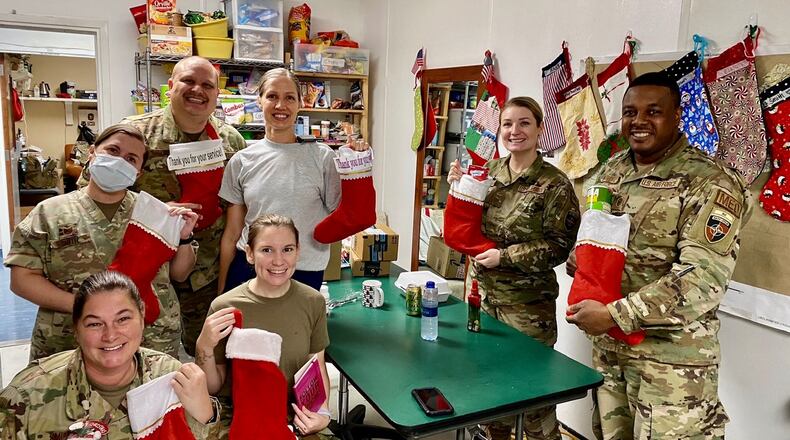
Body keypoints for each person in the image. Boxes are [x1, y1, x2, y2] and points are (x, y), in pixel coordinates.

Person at [566, 71, 752, 439]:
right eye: (631, 112)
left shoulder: (709, 181)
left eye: (654, 111)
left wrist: (615, 314)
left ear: (677, 116)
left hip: (670, 368)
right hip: (612, 355)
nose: (639, 121)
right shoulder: (613, 171)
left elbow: (703, 281)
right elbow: (593, 237)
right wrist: (581, 260)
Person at [447, 96, 580, 440]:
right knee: (489, 392)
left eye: (524, 123)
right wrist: (458, 188)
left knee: (532, 399)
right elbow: (466, 226)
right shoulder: (489, 172)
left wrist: (505, 257)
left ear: (540, 129)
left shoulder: (555, 184)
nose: (514, 131)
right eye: (507, 124)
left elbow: (558, 247)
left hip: (526, 310)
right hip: (482, 301)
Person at [5, 124, 198, 360]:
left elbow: (179, 274)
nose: (120, 161)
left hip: (150, 339)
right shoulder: (50, 212)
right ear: (92, 152)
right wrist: (85, 306)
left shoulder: (154, 212)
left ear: (138, 173)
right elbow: (22, 280)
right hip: (69, 339)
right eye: (113, 151)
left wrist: (185, 236)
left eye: (131, 158)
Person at [119, 56, 247, 357]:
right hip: (147, 273)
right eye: (188, 81)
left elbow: (241, 207)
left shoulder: (231, 142)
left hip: (208, 275)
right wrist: (155, 212)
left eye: (207, 85)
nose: (197, 90)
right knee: (144, 357)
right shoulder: (135, 135)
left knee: (212, 356)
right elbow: (95, 198)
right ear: (171, 86)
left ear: (217, 94)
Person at [0, 271, 219, 439]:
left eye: (123, 319)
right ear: (76, 329)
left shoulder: (172, 378)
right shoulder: (26, 397)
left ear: (142, 316)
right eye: (95, 324)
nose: (110, 335)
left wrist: (206, 416)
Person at [218, 67, 369, 293]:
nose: (281, 105)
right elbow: (232, 233)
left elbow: (346, 214)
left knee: (295, 329)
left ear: (300, 103)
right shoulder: (242, 160)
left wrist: (357, 169)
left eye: (289, 97)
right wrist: (222, 291)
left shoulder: (321, 157)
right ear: (259, 101)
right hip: (250, 267)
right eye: (272, 96)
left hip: (304, 269)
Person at [196, 214, 332, 437]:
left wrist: (323, 412)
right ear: (249, 254)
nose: (278, 261)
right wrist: (204, 347)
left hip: (294, 414)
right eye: (267, 250)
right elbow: (212, 387)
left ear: (298, 251)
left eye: (287, 249)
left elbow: (316, 364)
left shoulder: (312, 301)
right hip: (241, 417)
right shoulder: (225, 306)